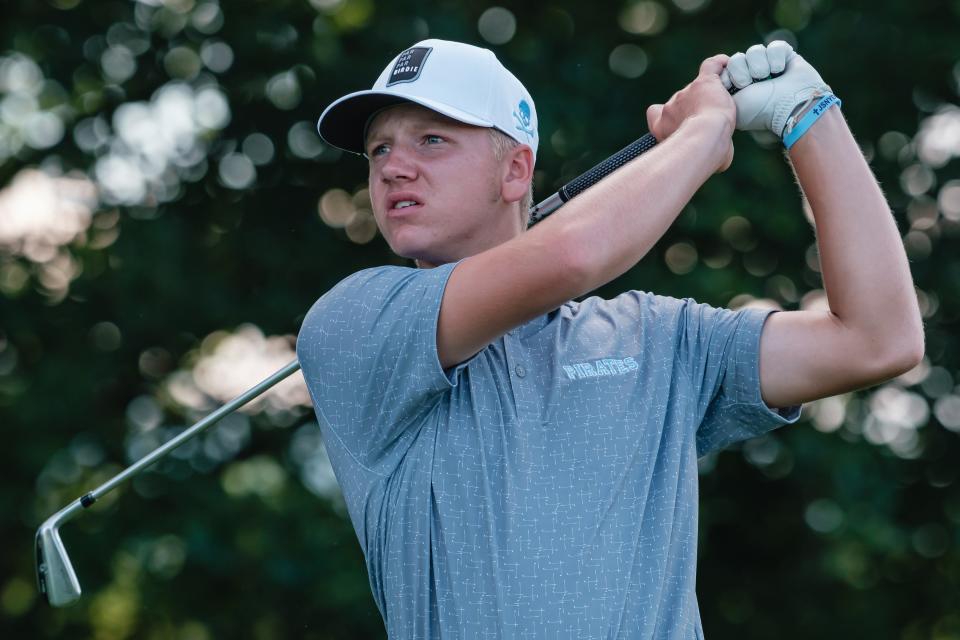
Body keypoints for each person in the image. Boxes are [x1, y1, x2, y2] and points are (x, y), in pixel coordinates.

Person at [296, 38, 924, 638]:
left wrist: (809, 116)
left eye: (431, 140)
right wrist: (706, 133)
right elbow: (571, 256)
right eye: (378, 150)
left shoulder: (656, 338)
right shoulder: (355, 322)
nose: (394, 168)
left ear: (515, 170)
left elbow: (878, 338)